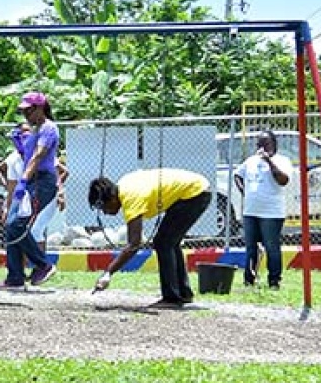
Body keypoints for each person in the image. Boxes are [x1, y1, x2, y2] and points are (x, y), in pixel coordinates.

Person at [89, 168, 212, 309]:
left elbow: (134, 244)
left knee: (164, 242)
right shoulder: (123, 186)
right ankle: (182, 293)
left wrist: (108, 273)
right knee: (169, 241)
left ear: (111, 197)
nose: (104, 212)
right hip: (196, 189)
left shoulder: (131, 197)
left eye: (103, 207)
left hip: (194, 193)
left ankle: (172, 298)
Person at [0, 91, 59, 291]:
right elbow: (29, 155)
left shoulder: (49, 128)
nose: (25, 115)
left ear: (40, 108)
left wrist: (22, 181)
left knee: (17, 225)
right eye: (23, 112)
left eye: (28, 111)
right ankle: (15, 277)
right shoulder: (35, 129)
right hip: (30, 181)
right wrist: (22, 148)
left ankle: (43, 265)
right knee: (10, 224)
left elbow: (38, 157)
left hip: (40, 182)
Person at [234, 130, 292, 289]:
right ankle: (249, 280)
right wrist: (244, 191)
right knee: (250, 247)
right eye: (259, 144)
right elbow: (237, 175)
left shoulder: (282, 160)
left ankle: (274, 281)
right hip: (250, 210)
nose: (262, 147)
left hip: (271, 213)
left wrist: (269, 162)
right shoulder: (250, 161)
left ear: (274, 144)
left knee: (271, 246)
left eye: (265, 144)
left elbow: (283, 180)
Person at [31, 157, 69, 252]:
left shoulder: (46, 154)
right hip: (40, 195)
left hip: (51, 195)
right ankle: (41, 263)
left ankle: (42, 264)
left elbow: (63, 172)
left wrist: (59, 192)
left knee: (36, 230)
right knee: (36, 230)